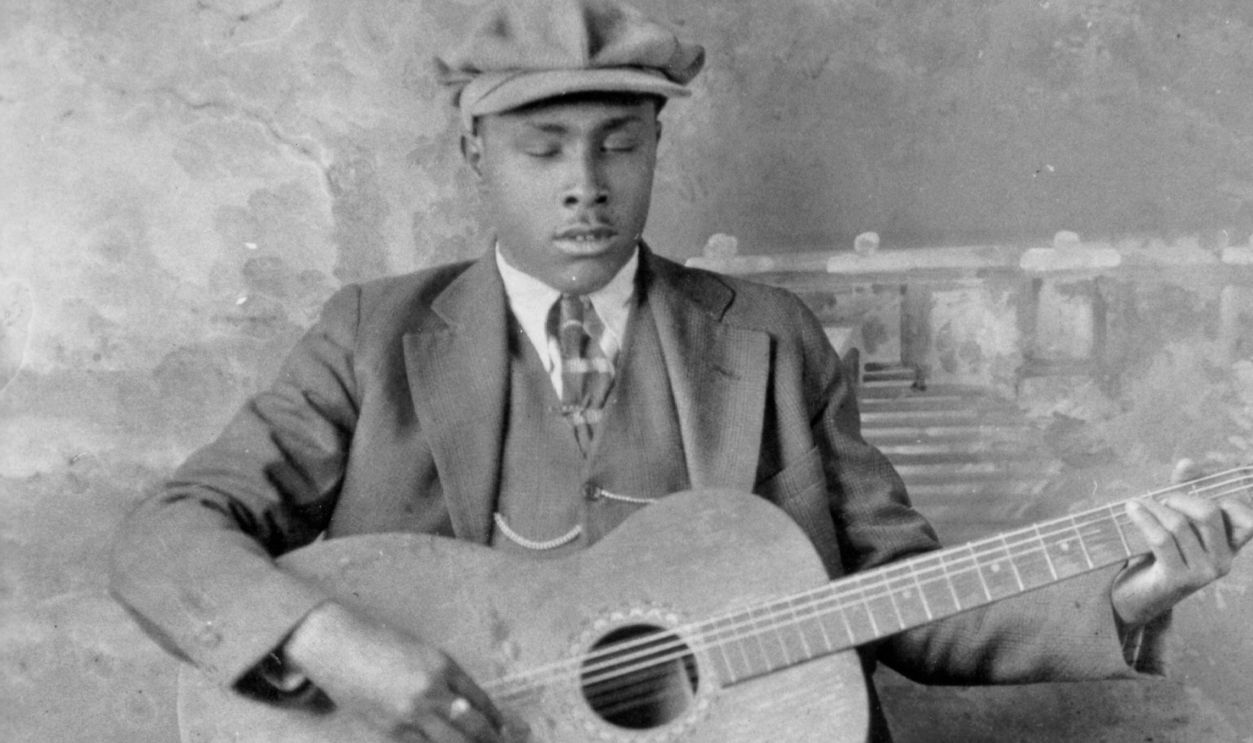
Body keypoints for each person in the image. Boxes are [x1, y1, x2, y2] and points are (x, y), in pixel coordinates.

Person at [109, 1, 1253, 741]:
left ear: (657, 144)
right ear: (473, 151)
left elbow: (900, 605)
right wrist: (328, 640)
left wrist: (1130, 589)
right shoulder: (371, 335)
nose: (584, 184)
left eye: (618, 141)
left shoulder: (769, 336)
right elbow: (167, 535)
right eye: (541, 147)